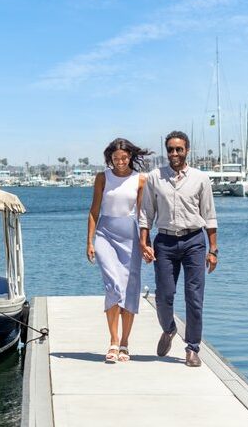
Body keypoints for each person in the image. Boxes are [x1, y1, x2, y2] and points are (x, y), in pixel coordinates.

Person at [139, 131, 218, 368]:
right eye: (171, 149)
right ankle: (169, 329)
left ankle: (192, 348)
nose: (174, 153)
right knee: (164, 296)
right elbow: (146, 214)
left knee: (194, 298)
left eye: (179, 149)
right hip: (165, 242)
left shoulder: (200, 178)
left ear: (187, 150)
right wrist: (145, 243)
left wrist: (213, 250)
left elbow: (210, 216)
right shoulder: (155, 177)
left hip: (194, 241)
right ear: (167, 151)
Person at [86, 138, 151, 363]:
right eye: (115, 158)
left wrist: (146, 244)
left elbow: (143, 216)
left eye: (124, 158)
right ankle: (113, 342)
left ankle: (124, 344)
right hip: (105, 233)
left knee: (130, 288)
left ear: (130, 156)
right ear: (110, 159)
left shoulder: (140, 180)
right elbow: (94, 210)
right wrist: (90, 241)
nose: (120, 162)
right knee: (112, 284)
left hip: (131, 236)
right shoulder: (103, 178)